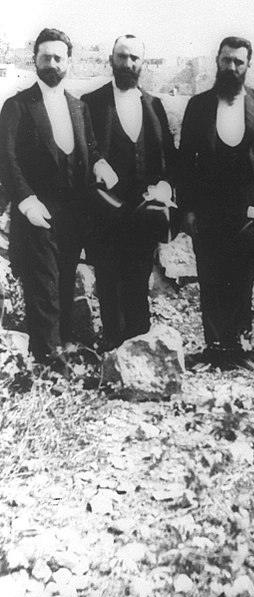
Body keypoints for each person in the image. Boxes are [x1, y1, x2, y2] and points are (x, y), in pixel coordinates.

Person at [0, 28, 117, 363]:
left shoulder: (78, 107)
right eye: (45, 57)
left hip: (74, 212)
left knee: (66, 281)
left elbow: (90, 149)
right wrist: (26, 200)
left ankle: (64, 346)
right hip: (37, 210)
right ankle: (49, 360)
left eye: (58, 57)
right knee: (44, 286)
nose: (51, 64)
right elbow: (6, 160)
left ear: (69, 62)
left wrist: (100, 163)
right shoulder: (18, 106)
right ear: (34, 60)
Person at [178, 36, 254, 367]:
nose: (231, 68)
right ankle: (214, 348)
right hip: (209, 211)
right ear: (217, 61)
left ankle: (238, 349)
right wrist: (189, 210)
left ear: (248, 65)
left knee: (242, 279)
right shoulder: (199, 106)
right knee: (210, 278)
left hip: (249, 210)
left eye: (238, 62)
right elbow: (184, 162)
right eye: (226, 60)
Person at [82, 34, 179, 350]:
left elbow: (169, 157)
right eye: (121, 57)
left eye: (134, 58)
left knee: (139, 281)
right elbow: (84, 149)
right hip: (105, 213)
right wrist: (96, 161)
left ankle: (141, 349)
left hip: (144, 214)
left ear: (143, 63)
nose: (127, 64)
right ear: (111, 60)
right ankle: (113, 351)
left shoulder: (154, 106)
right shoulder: (91, 103)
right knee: (109, 283)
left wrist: (165, 184)